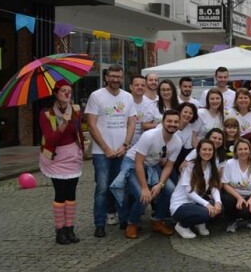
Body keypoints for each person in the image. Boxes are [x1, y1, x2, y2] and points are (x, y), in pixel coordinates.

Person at [85, 64, 137, 238]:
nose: (115, 79)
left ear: (122, 78)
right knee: (102, 188)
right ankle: (100, 223)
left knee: (122, 185)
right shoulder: (96, 96)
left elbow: (131, 123)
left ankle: (124, 219)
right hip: (102, 153)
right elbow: (91, 125)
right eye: (112, 76)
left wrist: (125, 145)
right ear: (106, 77)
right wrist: (106, 148)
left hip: (121, 150)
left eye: (118, 76)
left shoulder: (128, 97)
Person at [116, 109, 181, 239]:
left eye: (175, 122)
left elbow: (169, 166)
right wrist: (145, 187)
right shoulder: (150, 135)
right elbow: (138, 162)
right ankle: (131, 223)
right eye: (169, 121)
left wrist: (160, 183)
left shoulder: (177, 142)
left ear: (179, 124)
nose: (172, 124)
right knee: (143, 195)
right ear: (163, 122)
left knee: (170, 189)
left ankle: (157, 220)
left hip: (152, 165)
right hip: (133, 163)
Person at [39, 80, 85, 245]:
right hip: (56, 157)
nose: (67, 94)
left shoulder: (76, 110)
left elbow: (78, 132)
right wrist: (64, 123)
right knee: (61, 193)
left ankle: (69, 228)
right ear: (56, 93)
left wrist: (82, 151)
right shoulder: (46, 114)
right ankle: (59, 230)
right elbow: (51, 139)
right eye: (63, 91)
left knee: (71, 194)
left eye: (69, 91)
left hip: (72, 156)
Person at [170, 139, 223, 239]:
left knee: (220, 209)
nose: (207, 152)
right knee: (206, 213)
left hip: (195, 203)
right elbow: (189, 192)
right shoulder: (190, 166)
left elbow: (214, 187)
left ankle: (199, 223)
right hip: (181, 204)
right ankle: (182, 226)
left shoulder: (211, 166)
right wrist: (207, 205)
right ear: (198, 151)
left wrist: (218, 202)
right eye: (204, 149)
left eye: (210, 150)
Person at [220, 139, 251, 232]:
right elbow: (225, 184)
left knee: (246, 211)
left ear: (249, 150)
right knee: (226, 199)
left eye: (245, 149)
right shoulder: (230, 163)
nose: (243, 152)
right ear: (235, 151)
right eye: (240, 149)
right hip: (234, 195)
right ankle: (232, 220)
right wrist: (239, 197)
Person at [128, 74, 153, 145]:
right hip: (125, 145)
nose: (140, 87)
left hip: (144, 145)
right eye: (137, 85)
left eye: (143, 85)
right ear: (131, 87)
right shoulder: (124, 102)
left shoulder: (151, 104)